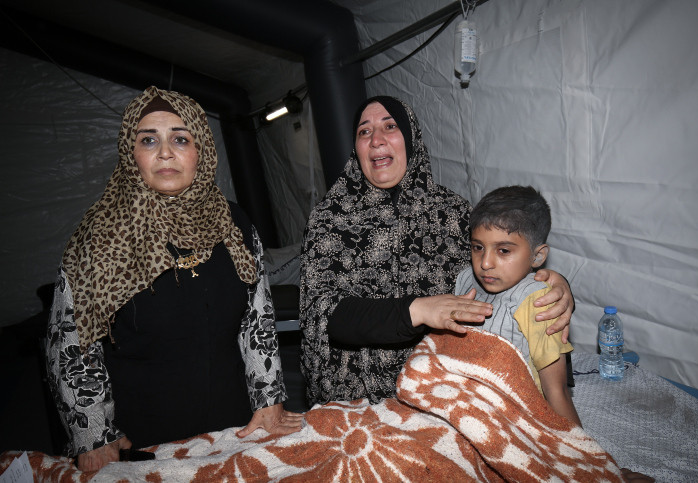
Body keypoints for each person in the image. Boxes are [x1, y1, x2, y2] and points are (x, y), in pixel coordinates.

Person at [45, 86, 303, 472]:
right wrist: (93, 435)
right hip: (144, 444)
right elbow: (72, 345)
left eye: (180, 139)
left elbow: (257, 319)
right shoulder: (100, 237)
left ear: (201, 151)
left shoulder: (234, 222)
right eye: (149, 140)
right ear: (130, 154)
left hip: (234, 430)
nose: (165, 152)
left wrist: (269, 400)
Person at [299, 96, 575, 408]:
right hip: (357, 397)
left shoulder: (452, 211)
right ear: (356, 148)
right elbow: (323, 315)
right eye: (364, 131)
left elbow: (495, 274)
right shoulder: (330, 219)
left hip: (445, 391)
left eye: (390, 127)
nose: (376, 140)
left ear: (411, 137)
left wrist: (552, 284)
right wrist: (417, 310)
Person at [454, 185, 581, 425]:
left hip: (516, 420)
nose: (485, 263)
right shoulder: (465, 280)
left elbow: (557, 391)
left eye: (503, 250)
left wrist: (580, 448)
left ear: (537, 256)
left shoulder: (539, 302)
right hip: (465, 406)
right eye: (477, 247)